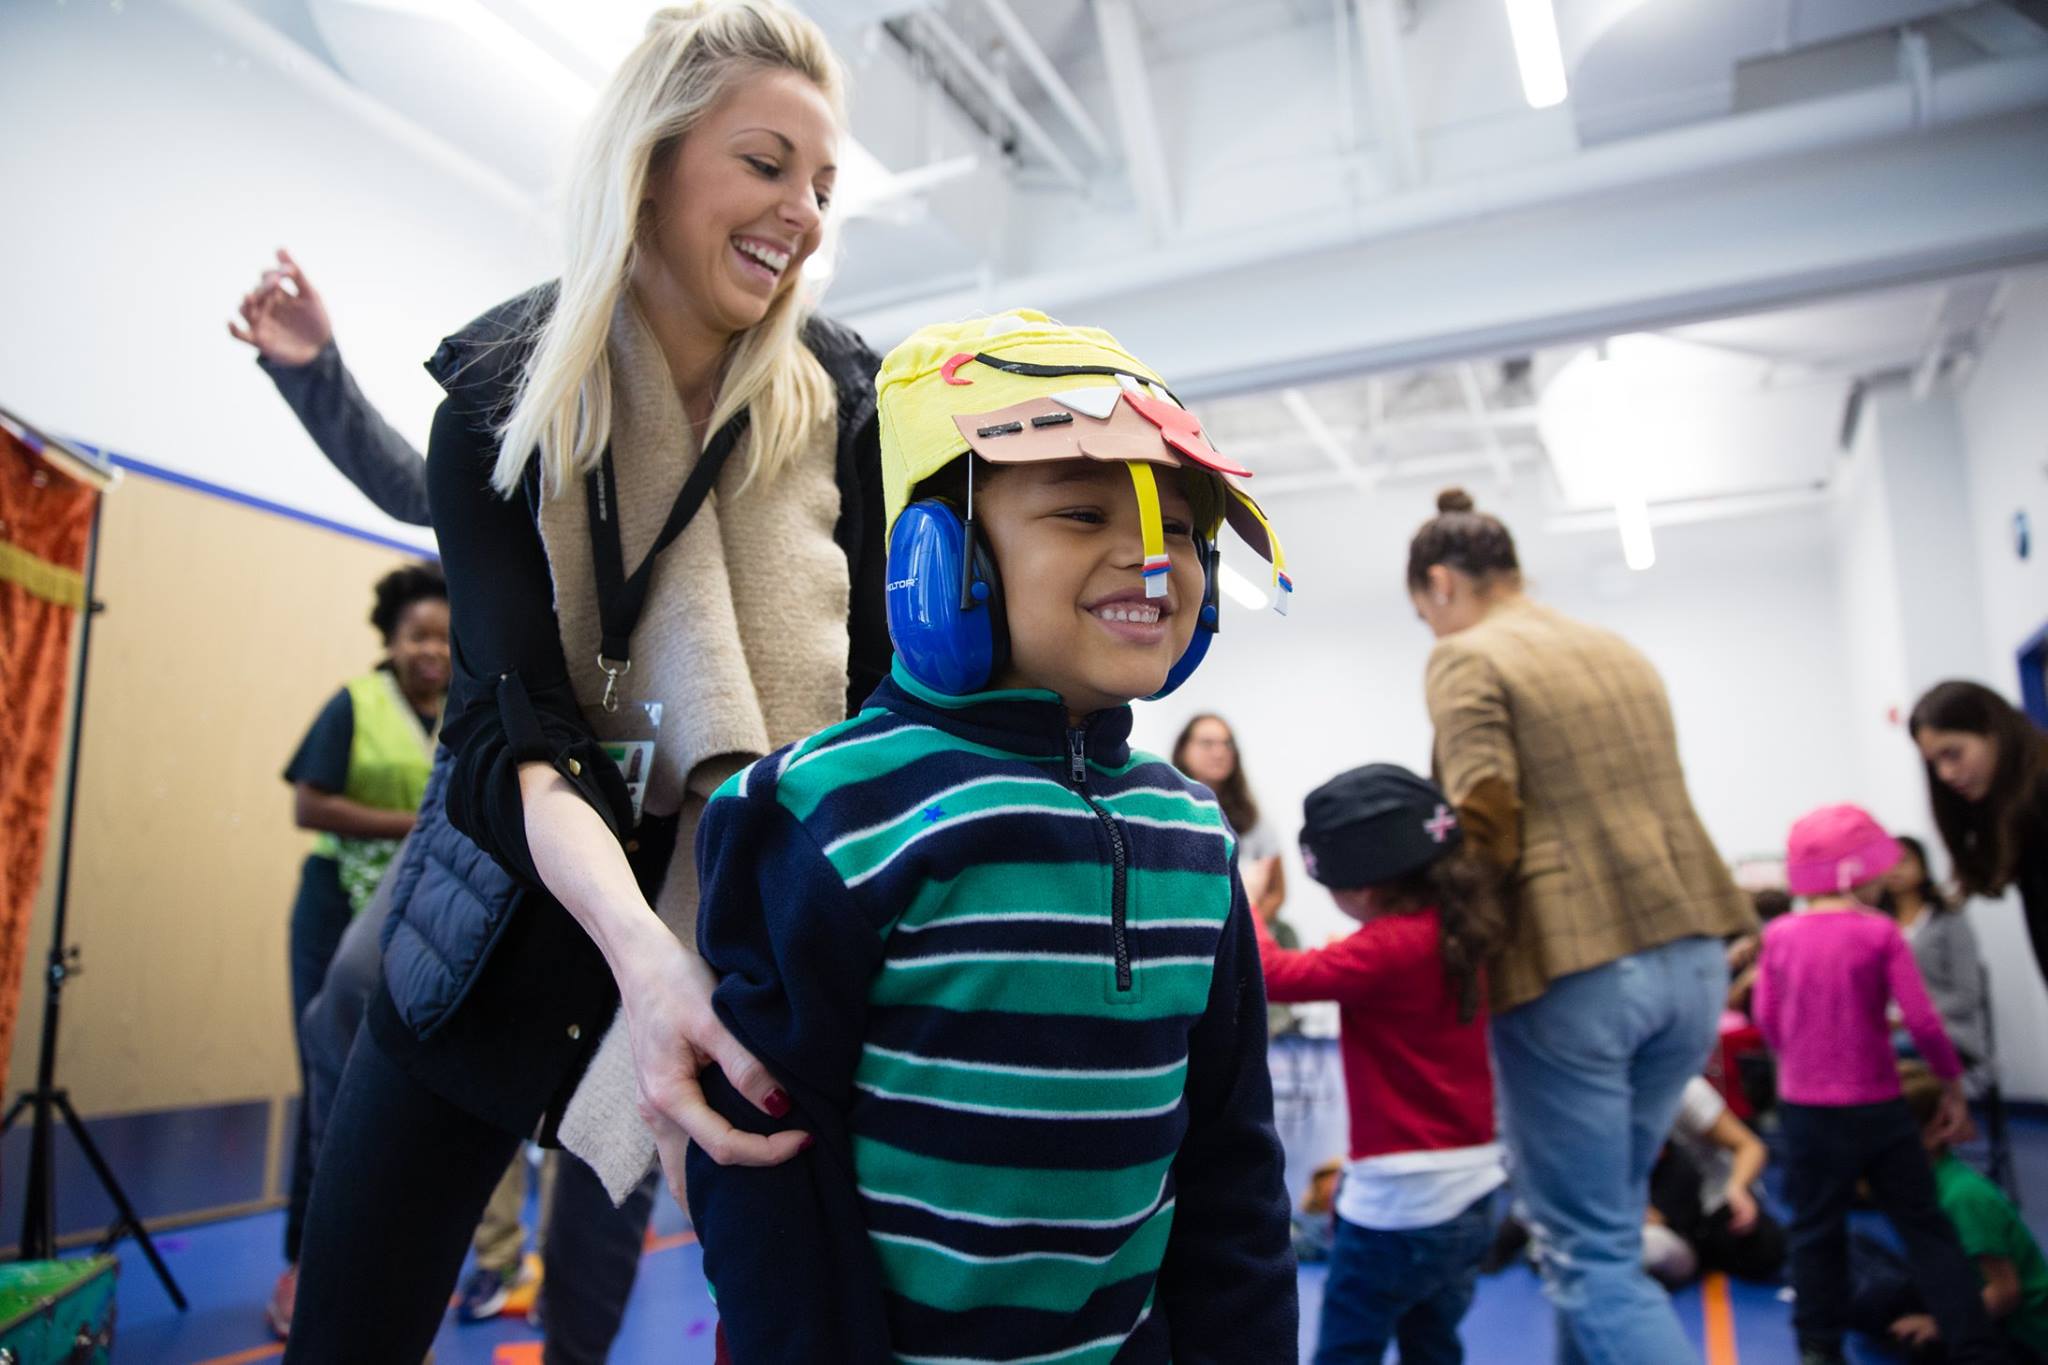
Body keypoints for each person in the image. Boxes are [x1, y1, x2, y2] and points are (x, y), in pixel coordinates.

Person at [283, 6, 893, 1359]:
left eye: (823, 185)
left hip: (720, 950)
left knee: (678, 1305)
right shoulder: (499, 396)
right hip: (499, 937)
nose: (802, 210)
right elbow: (519, 739)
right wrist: (640, 956)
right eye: (765, 161)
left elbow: (875, 704)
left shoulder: (842, 402)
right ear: (656, 160)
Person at [683, 310, 1299, 1361]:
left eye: (1181, 531)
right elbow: (765, 1162)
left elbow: (1231, 1157)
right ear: (941, 551)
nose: (1150, 559)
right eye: (1079, 511)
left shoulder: (1191, 831)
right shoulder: (824, 809)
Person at [1408, 486, 1753, 1364]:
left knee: (1590, 1252)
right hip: (1692, 958)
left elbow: (1486, 807)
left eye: (1424, 613)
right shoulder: (1616, 647)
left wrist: (1446, 941)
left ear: (1441, 584)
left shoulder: (1466, 657)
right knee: (1598, 1228)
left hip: (1577, 969)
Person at [1253, 763, 1506, 1365]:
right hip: (1475, 1190)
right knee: (1434, 1341)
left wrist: (1253, 904)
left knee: (1348, 1347)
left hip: (1399, 1202)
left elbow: (1274, 975)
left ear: (1363, 887)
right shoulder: (1460, 928)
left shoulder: (1388, 946)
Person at [1753, 803, 2001, 1364]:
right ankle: (1977, 1348)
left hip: (1808, 1111)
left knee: (1816, 1232)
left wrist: (1800, 1066)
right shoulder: (1880, 932)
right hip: (1880, 1107)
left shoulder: (1780, 937)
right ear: (1858, 871)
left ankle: (1819, 1349)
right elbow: (1924, 1022)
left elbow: (1768, 1019)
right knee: (1925, 1229)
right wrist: (1954, 1090)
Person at [270, 561, 445, 1334]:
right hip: (336, 905)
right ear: (391, 638)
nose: (432, 650)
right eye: (417, 636)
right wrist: (413, 827)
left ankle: (371, 1273)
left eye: (444, 636)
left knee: (386, 1094)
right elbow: (308, 803)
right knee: (328, 1078)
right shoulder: (356, 703)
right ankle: (304, 1263)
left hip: (413, 915)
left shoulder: (462, 713)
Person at [1852, 1061, 2048, 1362]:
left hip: (2016, 1332)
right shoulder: (1916, 1182)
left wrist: (1938, 1325)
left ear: (1930, 1133)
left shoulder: (1962, 1197)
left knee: (1884, 1315)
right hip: (1957, 1288)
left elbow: (2006, 1292)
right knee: (1851, 1252)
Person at [1911, 681, 2048, 987]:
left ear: (1994, 732)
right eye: (1934, 764)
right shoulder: (2016, 814)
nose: (1945, 774)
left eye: (1953, 753)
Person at [1644, 1077, 1784, 1286]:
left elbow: (1751, 1147)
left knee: (1766, 1250)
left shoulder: (1686, 1090)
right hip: (1656, 1207)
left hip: (1713, 1206)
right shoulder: (1599, 1098)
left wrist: (1737, 1188)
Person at [1886, 834, 1995, 1096]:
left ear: (1922, 866)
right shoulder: (1874, 922)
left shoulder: (1948, 919)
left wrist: (1909, 1018)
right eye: (1886, 862)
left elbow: (1967, 994)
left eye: (1903, 861)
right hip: (1886, 1026)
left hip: (1945, 1028)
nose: (1894, 869)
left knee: (1891, 1050)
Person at [1173, 713, 1287, 914]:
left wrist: (1247, 930)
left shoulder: (1254, 816)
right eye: (1207, 743)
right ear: (1183, 749)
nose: (1219, 752)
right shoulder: (1168, 813)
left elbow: (1276, 892)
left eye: (1227, 744)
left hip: (1246, 931)